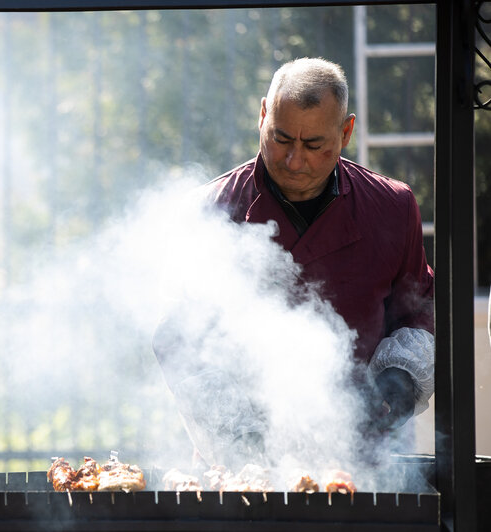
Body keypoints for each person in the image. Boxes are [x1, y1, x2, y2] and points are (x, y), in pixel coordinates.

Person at [153, 57, 434, 466]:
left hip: (362, 464)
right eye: (282, 139)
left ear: (346, 132)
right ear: (263, 115)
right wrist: (241, 437)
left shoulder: (392, 207)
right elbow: (179, 341)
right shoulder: (207, 212)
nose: (294, 160)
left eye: (314, 145)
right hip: (240, 468)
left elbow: (421, 315)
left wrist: (400, 381)